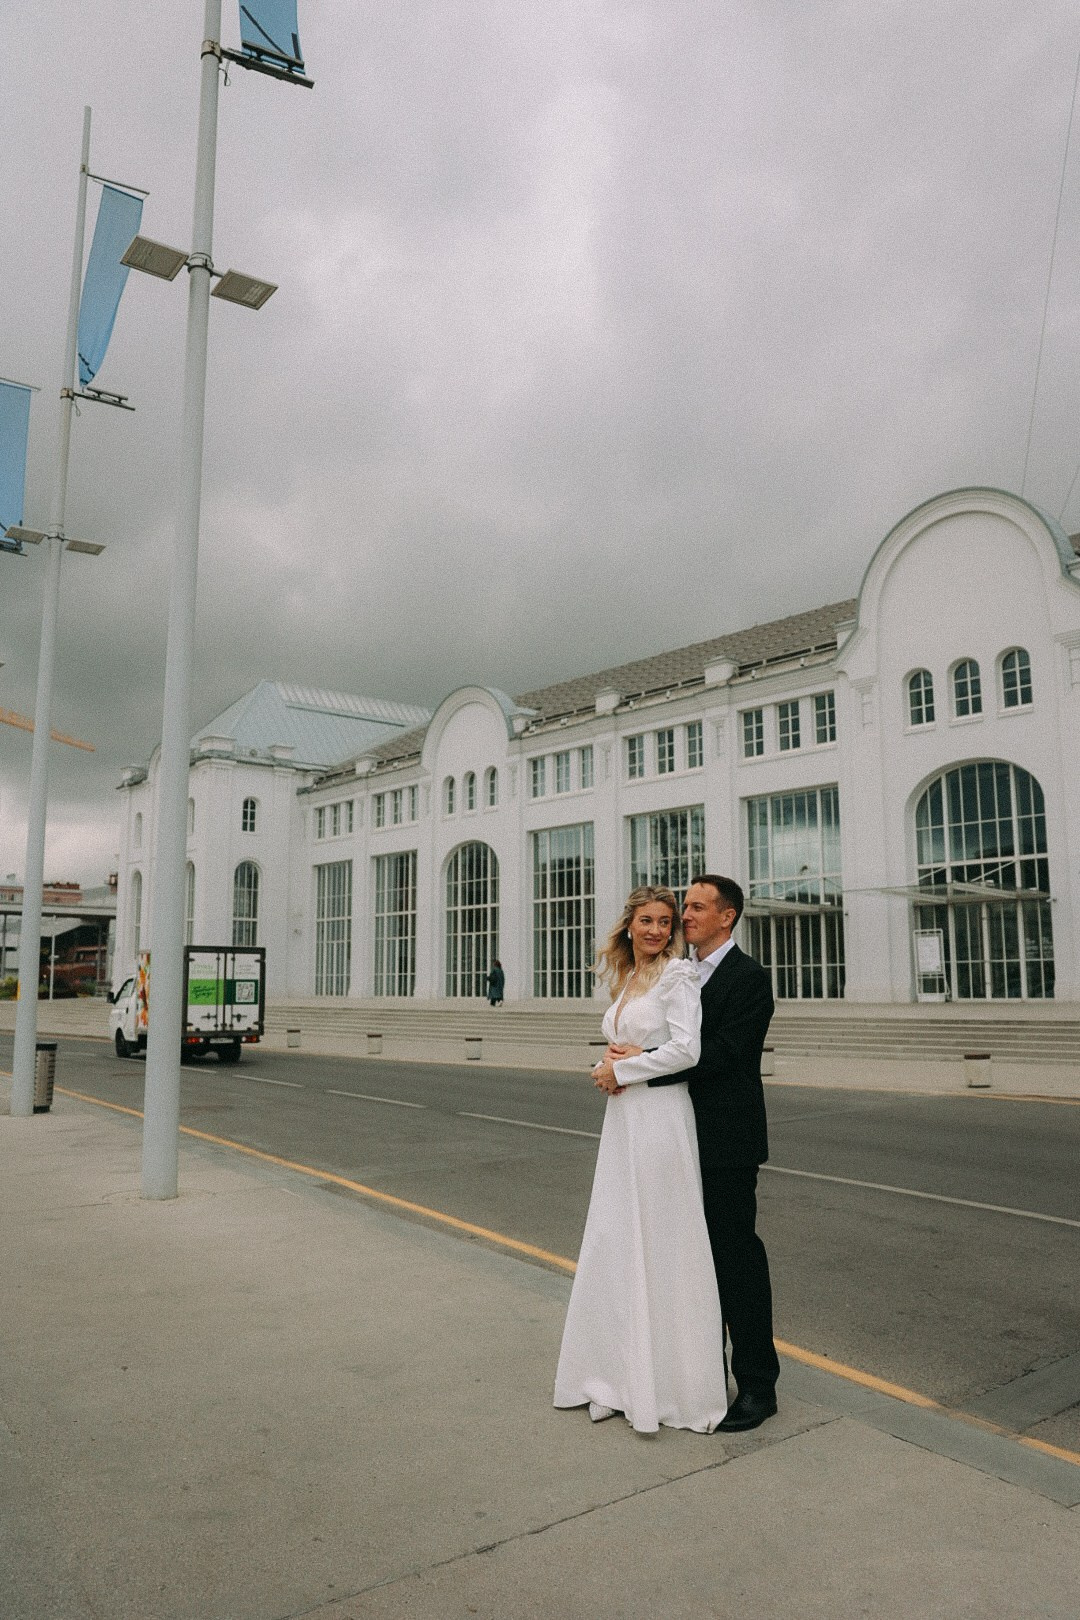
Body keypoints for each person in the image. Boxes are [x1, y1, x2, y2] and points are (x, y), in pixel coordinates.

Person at [553, 886, 727, 1434]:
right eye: (647, 920)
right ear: (629, 925)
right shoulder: (630, 976)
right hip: (625, 1119)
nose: (656, 930)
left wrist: (626, 1069)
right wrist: (607, 1065)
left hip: (660, 1119)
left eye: (666, 922)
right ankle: (617, 1378)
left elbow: (687, 1049)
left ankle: (666, 1386)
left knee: (658, 1238)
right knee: (617, 1237)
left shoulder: (679, 975)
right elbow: (628, 1043)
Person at [645, 874, 779, 1432]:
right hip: (671, 1134)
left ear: (728, 916)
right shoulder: (675, 971)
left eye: (697, 907)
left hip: (725, 1142)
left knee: (734, 1259)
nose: (686, 915)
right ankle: (697, 1378)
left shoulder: (750, 979)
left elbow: (722, 1053)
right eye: (685, 906)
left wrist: (640, 1069)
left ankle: (758, 1386)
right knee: (685, 1260)